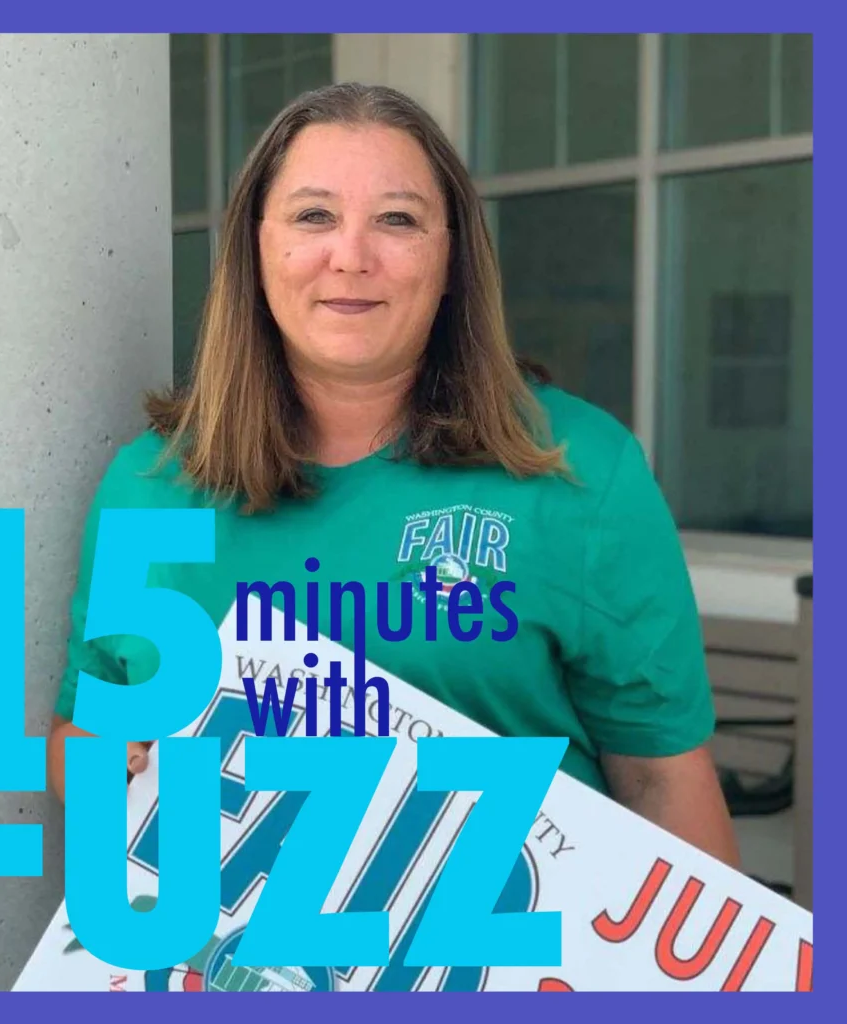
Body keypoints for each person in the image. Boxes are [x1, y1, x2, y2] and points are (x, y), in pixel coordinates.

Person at [48, 82, 739, 868]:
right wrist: (102, 764)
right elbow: (85, 728)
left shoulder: (580, 468)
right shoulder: (150, 485)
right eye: (314, 216)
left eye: (398, 220)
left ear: (450, 259)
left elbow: (660, 777)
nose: (351, 256)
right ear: (255, 248)